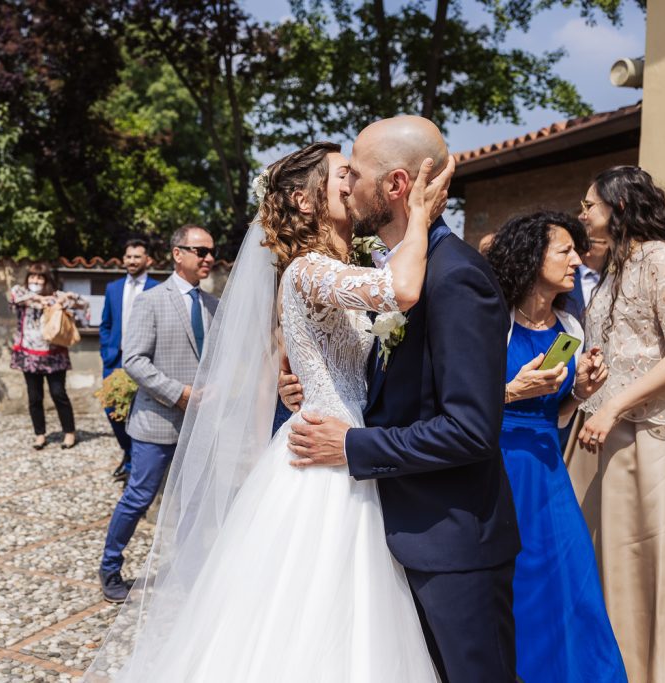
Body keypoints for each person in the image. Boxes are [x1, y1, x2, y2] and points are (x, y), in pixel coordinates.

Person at [86, 139, 453, 681]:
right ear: (305, 201)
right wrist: (419, 213)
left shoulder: (338, 267)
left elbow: (327, 358)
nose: (354, 184)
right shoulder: (307, 270)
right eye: (341, 176)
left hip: (349, 446)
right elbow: (401, 290)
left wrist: (299, 384)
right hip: (323, 466)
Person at [280, 117, 520, 682]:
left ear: (393, 187)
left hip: (454, 544)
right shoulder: (394, 269)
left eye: (354, 174)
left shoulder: (454, 276)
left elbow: (470, 430)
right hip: (394, 526)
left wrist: (353, 443)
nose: (346, 186)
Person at [484, 211, 624, 682]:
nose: (576, 259)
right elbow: (464, 405)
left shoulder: (570, 327)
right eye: (564, 250)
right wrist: (511, 392)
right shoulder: (492, 320)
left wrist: (580, 392)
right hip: (498, 467)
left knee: (574, 583)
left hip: (548, 471)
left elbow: (558, 413)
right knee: (515, 585)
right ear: (532, 255)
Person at [567, 166, 665, 683]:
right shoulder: (611, 267)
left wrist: (613, 407)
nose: (583, 214)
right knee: (608, 561)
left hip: (650, 433)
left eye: (590, 204)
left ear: (621, 208)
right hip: (601, 432)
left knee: (651, 562)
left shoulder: (660, 259)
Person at [97, 225, 218, 604]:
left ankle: (188, 566)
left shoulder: (214, 306)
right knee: (139, 497)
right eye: (200, 251)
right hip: (156, 421)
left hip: (200, 425)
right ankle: (110, 566)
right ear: (177, 254)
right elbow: (133, 360)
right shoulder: (151, 301)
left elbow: (219, 360)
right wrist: (179, 393)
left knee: (195, 500)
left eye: (212, 251)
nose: (209, 258)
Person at [9, 262, 89, 450]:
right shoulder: (22, 294)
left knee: (58, 393)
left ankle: (69, 432)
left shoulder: (57, 297)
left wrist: (68, 297)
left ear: (46, 280)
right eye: (32, 277)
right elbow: (15, 296)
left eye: (39, 277)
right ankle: (40, 434)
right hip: (28, 354)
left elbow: (83, 304)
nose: (35, 281)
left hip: (54, 354)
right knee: (34, 397)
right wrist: (39, 299)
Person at [99, 239, 160, 479]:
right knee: (111, 410)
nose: (132, 261)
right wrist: (106, 352)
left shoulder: (158, 288)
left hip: (146, 361)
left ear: (148, 260)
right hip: (115, 361)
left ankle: (135, 465)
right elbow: (105, 324)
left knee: (139, 413)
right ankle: (128, 452)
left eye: (137, 256)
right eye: (128, 256)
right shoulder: (113, 288)